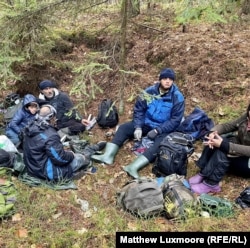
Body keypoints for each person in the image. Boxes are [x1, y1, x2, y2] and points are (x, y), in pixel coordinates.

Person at [92, 68, 185, 178]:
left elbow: (175, 120)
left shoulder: (177, 97)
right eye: (165, 78)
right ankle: (107, 156)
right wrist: (138, 127)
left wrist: (158, 130)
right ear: (160, 79)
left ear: (173, 81)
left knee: (160, 145)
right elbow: (139, 110)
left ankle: (133, 167)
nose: (167, 81)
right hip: (147, 123)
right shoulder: (149, 91)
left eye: (170, 79)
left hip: (163, 128)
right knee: (124, 128)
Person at [22, 104, 105, 181]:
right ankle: (92, 149)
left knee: (65, 151)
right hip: (47, 173)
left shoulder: (30, 127)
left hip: (32, 169)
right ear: (51, 117)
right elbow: (60, 159)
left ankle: (93, 148)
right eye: (54, 117)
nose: (56, 119)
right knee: (80, 158)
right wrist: (71, 155)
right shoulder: (50, 135)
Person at [189, 103, 250, 194]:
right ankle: (204, 173)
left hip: (248, 163)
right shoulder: (246, 117)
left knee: (224, 148)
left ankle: (211, 184)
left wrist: (225, 146)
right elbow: (228, 126)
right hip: (240, 148)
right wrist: (212, 132)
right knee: (216, 140)